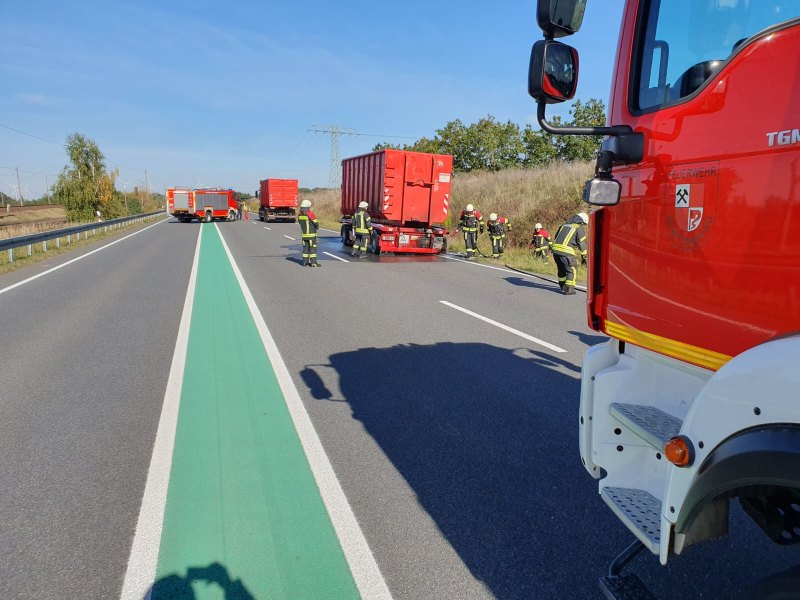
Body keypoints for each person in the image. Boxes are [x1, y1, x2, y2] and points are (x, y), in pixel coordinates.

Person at [551, 212, 588, 295]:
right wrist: (584, 255)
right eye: (584, 224)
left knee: (561, 270)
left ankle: (562, 286)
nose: (583, 226)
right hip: (566, 252)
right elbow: (581, 242)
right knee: (572, 270)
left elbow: (556, 237)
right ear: (581, 222)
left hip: (555, 252)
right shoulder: (578, 228)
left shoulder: (563, 226)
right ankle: (569, 289)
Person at [298, 199, 320, 267]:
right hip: (311, 236)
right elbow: (316, 224)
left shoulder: (299, 215)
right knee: (313, 249)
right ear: (308, 207)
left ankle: (305, 263)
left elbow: (300, 223)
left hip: (304, 236)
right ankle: (313, 263)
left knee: (305, 249)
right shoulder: (310, 214)